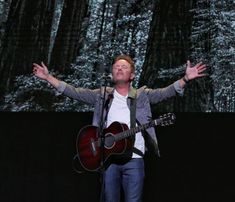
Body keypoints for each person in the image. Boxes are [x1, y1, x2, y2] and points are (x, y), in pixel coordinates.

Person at [32, 55, 207, 202]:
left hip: (134, 158)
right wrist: (48, 78)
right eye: (116, 67)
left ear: (132, 75)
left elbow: (165, 93)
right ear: (112, 74)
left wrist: (185, 79)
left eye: (124, 67)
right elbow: (74, 92)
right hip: (108, 160)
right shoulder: (102, 95)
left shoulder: (142, 95)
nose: (119, 69)